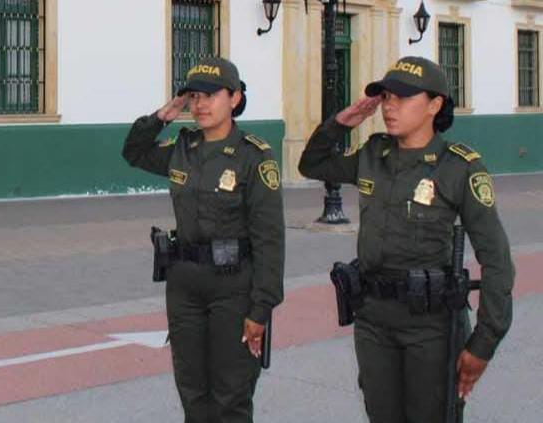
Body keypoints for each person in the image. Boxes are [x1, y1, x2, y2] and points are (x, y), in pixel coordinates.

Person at [298, 56, 514, 422]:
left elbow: (496, 259)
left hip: (431, 326)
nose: (389, 105)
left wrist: (484, 343)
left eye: (402, 97)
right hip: (374, 319)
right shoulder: (372, 154)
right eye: (385, 97)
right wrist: (341, 123)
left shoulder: (458, 167)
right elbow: (312, 164)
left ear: (434, 104)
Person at [122, 57, 285, 422]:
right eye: (194, 96)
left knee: (231, 396)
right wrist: (164, 115)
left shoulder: (254, 157)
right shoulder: (184, 147)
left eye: (210, 95)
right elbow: (133, 151)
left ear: (235, 98)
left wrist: (262, 308)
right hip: (184, 286)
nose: (200, 104)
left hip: (233, 287)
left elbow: (270, 240)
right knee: (192, 392)